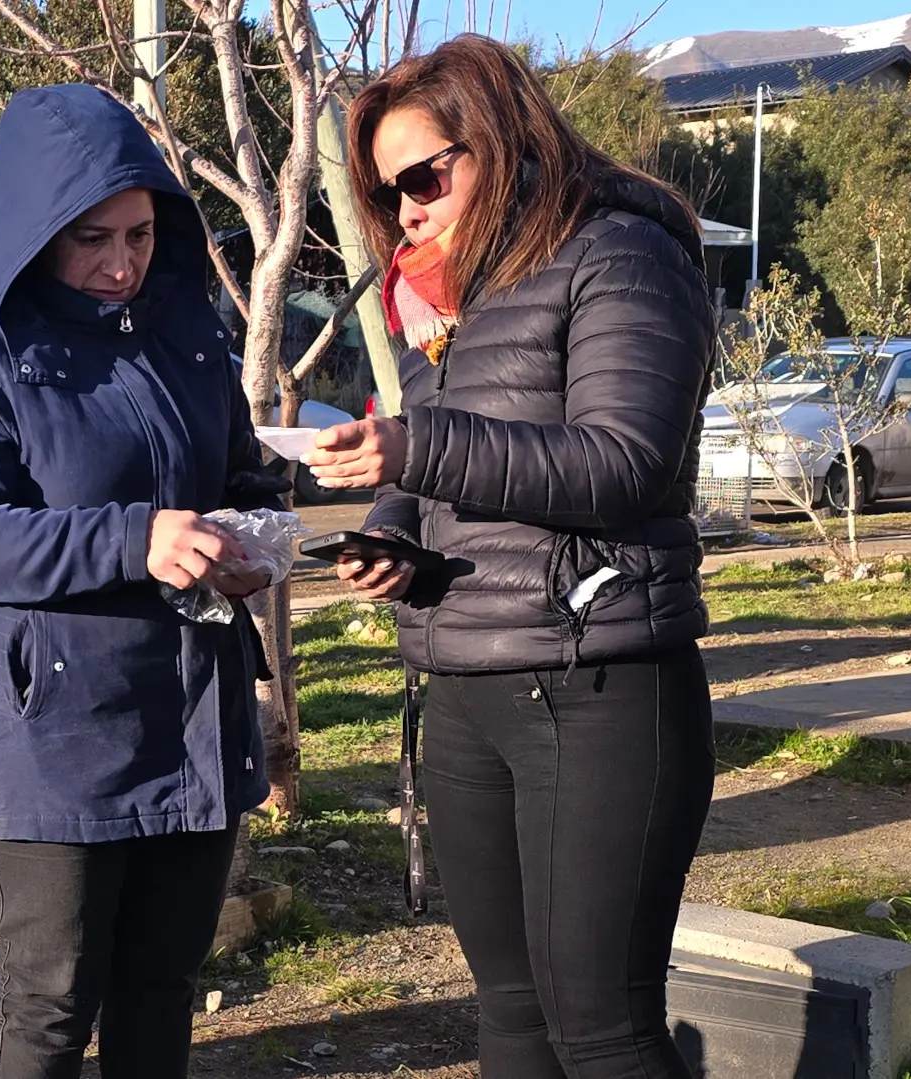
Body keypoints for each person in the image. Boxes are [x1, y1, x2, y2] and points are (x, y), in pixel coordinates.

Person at [305, 35, 717, 1079]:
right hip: (464, 684)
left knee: (604, 1028)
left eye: (423, 176)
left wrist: (415, 446)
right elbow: (445, 468)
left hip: (598, 681)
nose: (406, 210)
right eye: (384, 191)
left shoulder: (622, 255)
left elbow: (622, 462)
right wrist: (395, 526)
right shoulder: (451, 295)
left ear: (498, 142)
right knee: (510, 1014)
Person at [0, 83, 282, 1079]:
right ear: (32, 232)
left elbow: (245, 478)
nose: (120, 264)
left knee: (163, 982)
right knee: (53, 997)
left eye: (142, 234)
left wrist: (251, 534)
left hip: (190, 714)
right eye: (90, 239)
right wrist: (136, 539)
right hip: (51, 736)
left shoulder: (189, 341)